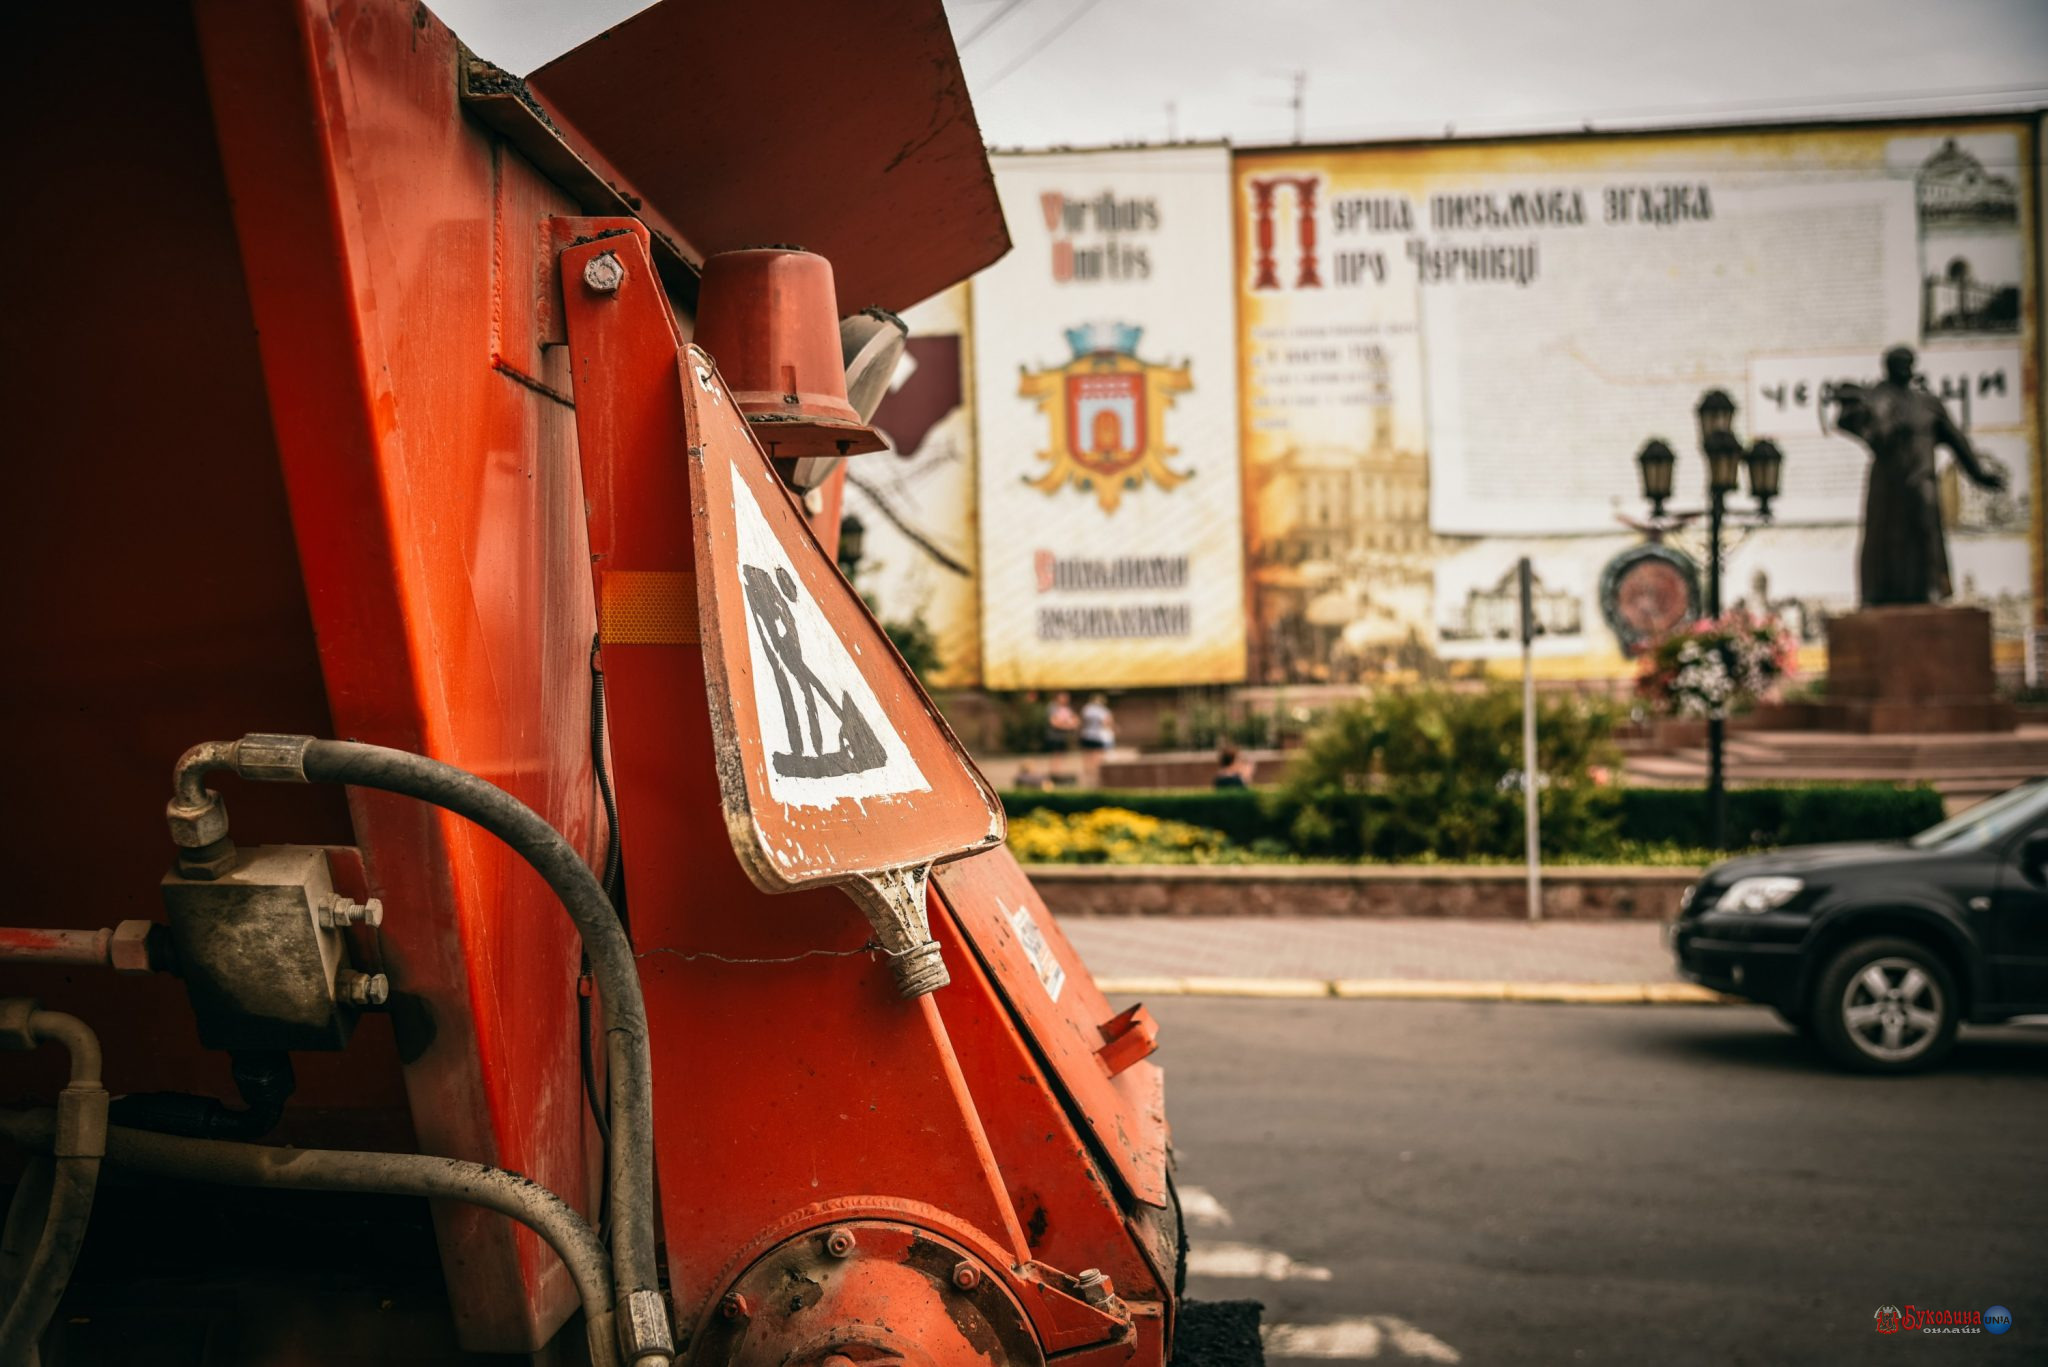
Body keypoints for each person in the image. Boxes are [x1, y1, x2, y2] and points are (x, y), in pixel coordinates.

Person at [1832, 344, 2005, 606]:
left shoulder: (1928, 404)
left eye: (1908, 362)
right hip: (1887, 483)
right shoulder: (1875, 398)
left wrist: (1978, 474)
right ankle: (1877, 594)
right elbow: (1845, 420)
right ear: (1888, 367)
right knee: (1883, 538)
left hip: (1921, 479)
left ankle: (1931, 587)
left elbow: (1957, 441)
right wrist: (1854, 404)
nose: (1905, 367)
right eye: (1899, 363)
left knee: (1927, 531)